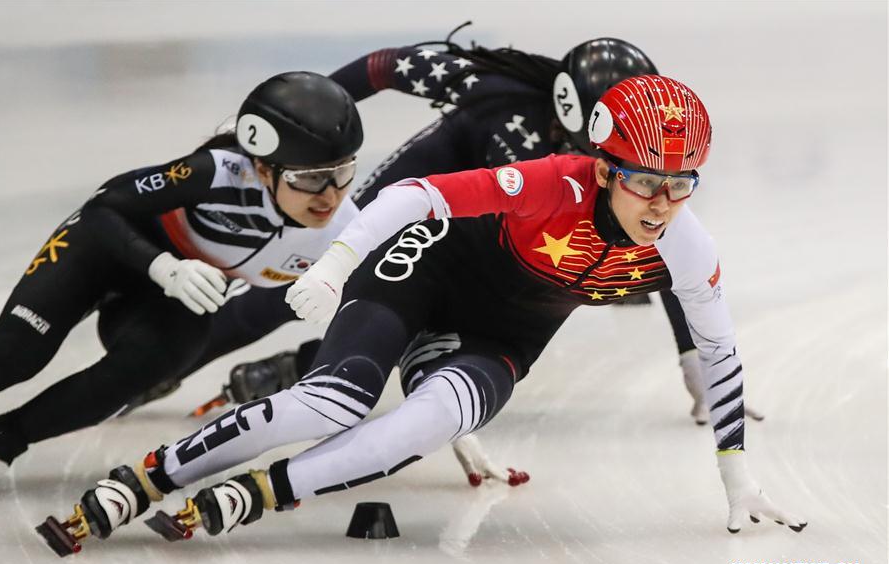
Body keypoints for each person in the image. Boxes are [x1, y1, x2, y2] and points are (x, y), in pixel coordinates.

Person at [38, 75, 804, 557]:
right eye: (646, 183)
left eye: (682, 184)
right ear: (605, 168)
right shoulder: (553, 182)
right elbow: (416, 196)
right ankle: (148, 477)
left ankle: (257, 493)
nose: (663, 205)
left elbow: (719, 352)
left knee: (424, 424)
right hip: (423, 274)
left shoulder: (685, 247)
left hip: (504, 334)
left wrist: (736, 480)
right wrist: (337, 266)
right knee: (331, 399)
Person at [196, 34, 761, 426]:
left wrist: (693, 358)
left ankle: (301, 362)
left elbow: (661, 249)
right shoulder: (498, 94)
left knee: (438, 303)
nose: (614, 162)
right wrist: (291, 115)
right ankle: (190, 352)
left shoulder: (611, 166)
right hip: (432, 186)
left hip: (489, 238)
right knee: (326, 267)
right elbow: (385, 66)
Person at [0, 72, 364, 465]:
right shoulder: (215, 173)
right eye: (311, 179)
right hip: (103, 252)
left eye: (342, 173)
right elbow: (102, 208)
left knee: (167, 354)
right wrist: (164, 267)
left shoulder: (344, 232)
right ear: (264, 169)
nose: (330, 196)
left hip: (164, 296)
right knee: (13, 358)